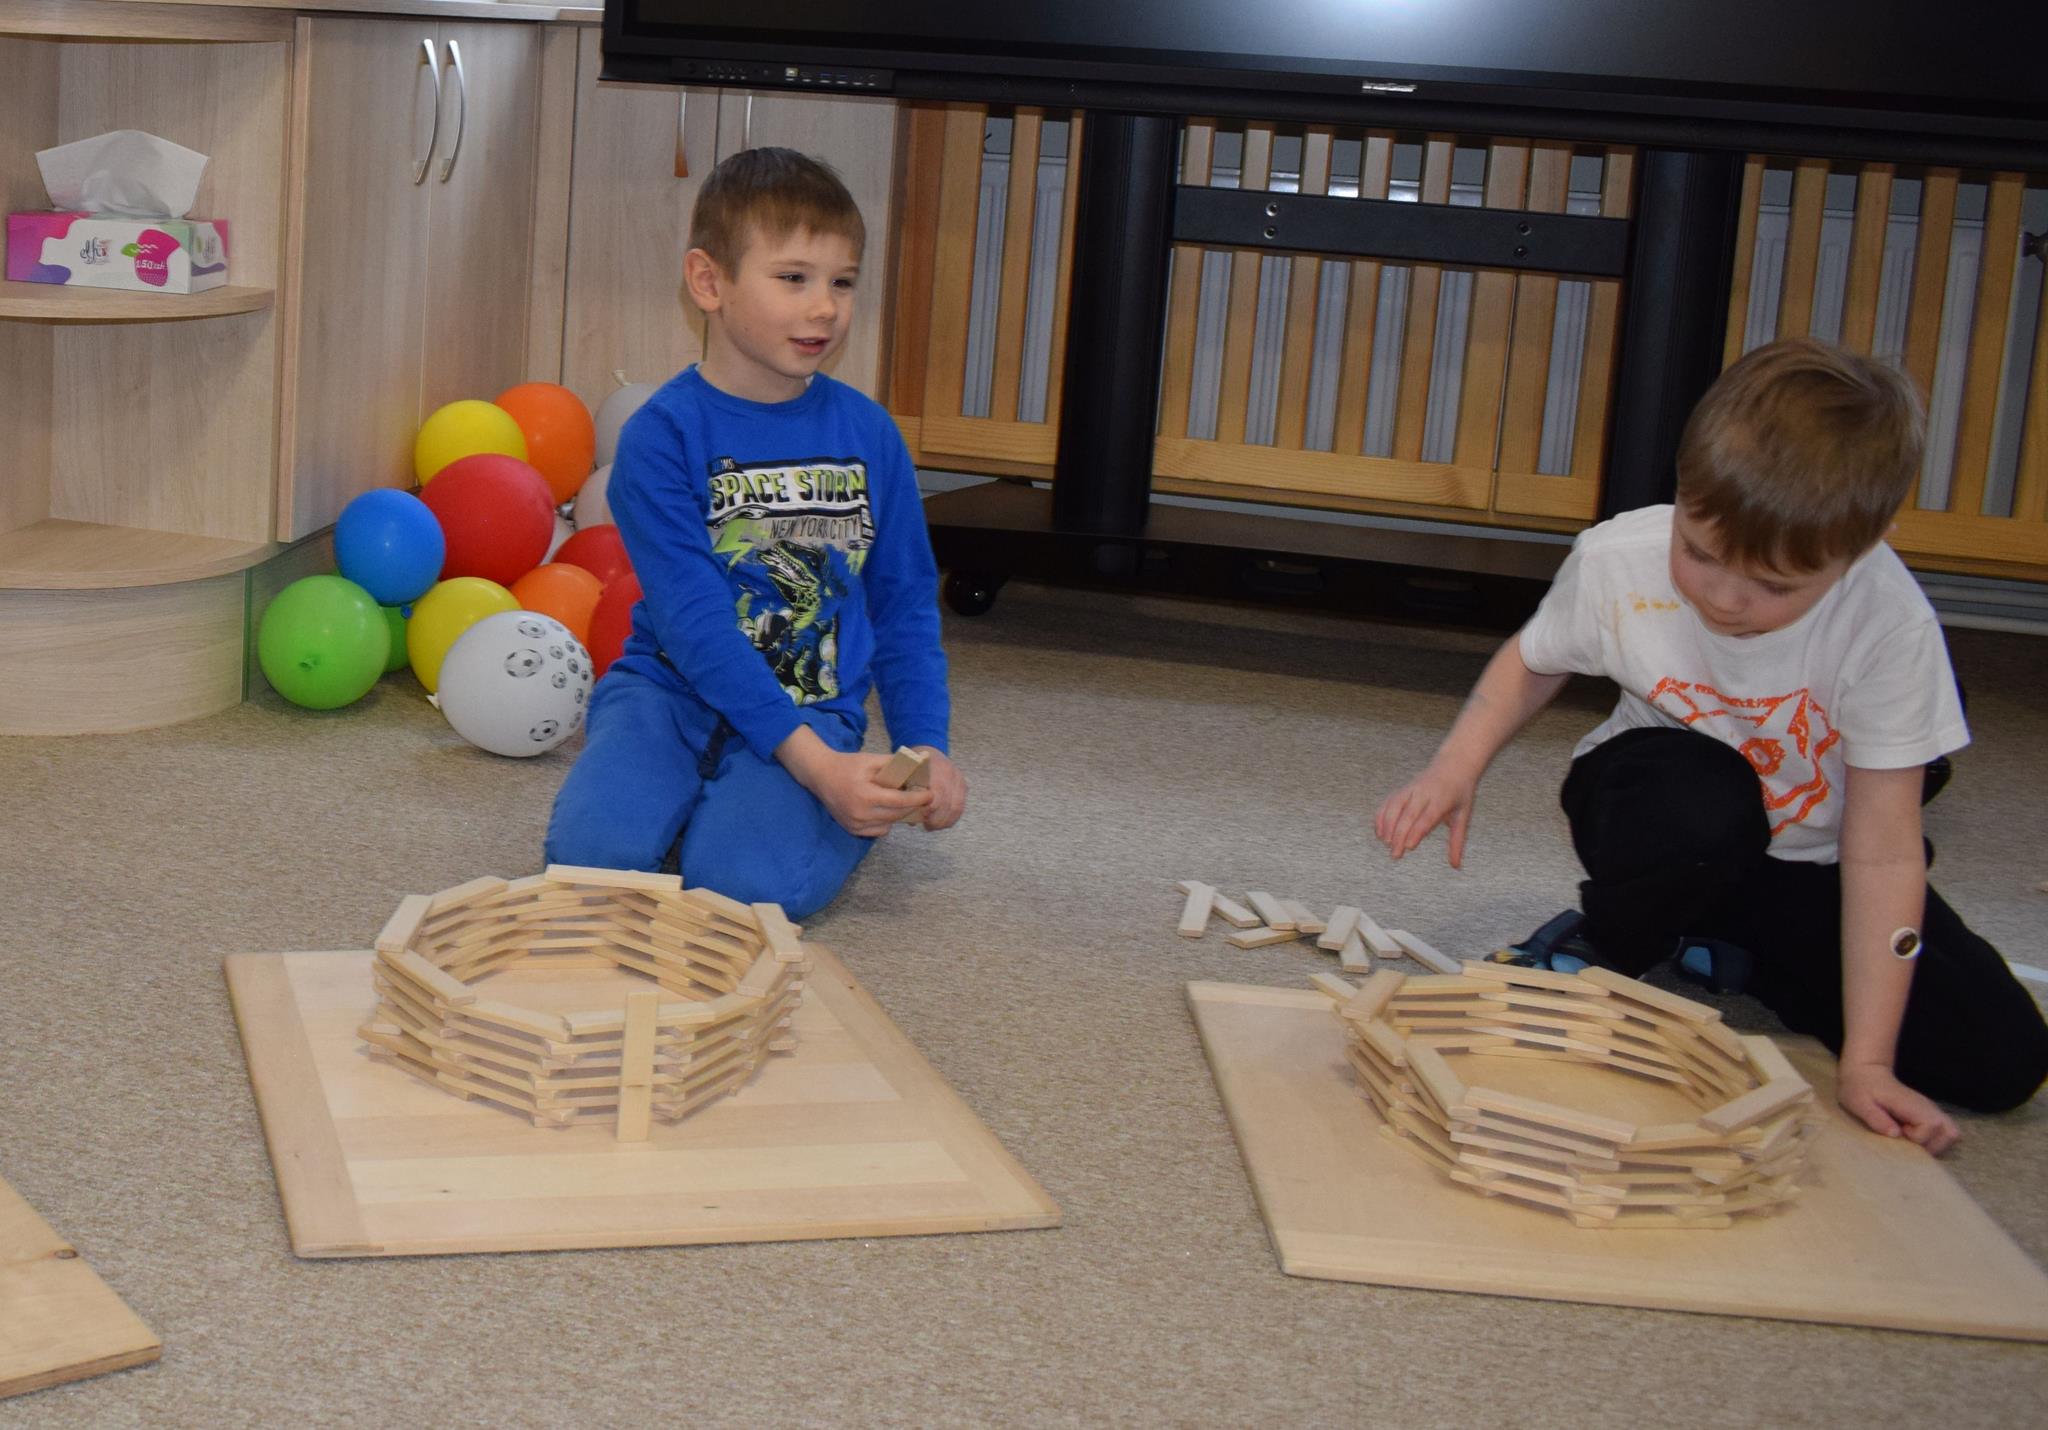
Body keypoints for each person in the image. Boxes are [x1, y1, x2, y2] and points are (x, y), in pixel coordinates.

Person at [1374, 337, 2047, 1153]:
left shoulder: (1890, 624)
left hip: (1807, 860)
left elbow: (1884, 851)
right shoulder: (1620, 557)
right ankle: (1616, 938)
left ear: (1864, 545)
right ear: (1683, 490)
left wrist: (1867, 1061)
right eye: (1698, 552)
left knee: (2004, 1059)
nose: (1725, 598)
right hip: (1661, 810)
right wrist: (1454, 767)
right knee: (1700, 805)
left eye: (1773, 585)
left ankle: (1732, 947)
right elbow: (1534, 658)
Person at [545, 147, 965, 919]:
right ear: (709, 282)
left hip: (813, 705)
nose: (825, 308)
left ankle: (786, 809)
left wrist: (924, 747)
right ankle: (714, 797)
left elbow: (904, 605)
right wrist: (817, 770)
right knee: (590, 868)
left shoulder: (871, 436)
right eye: (794, 277)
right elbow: (694, 625)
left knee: (741, 894)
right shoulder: (662, 436)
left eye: (842, 282)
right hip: (669, 694)